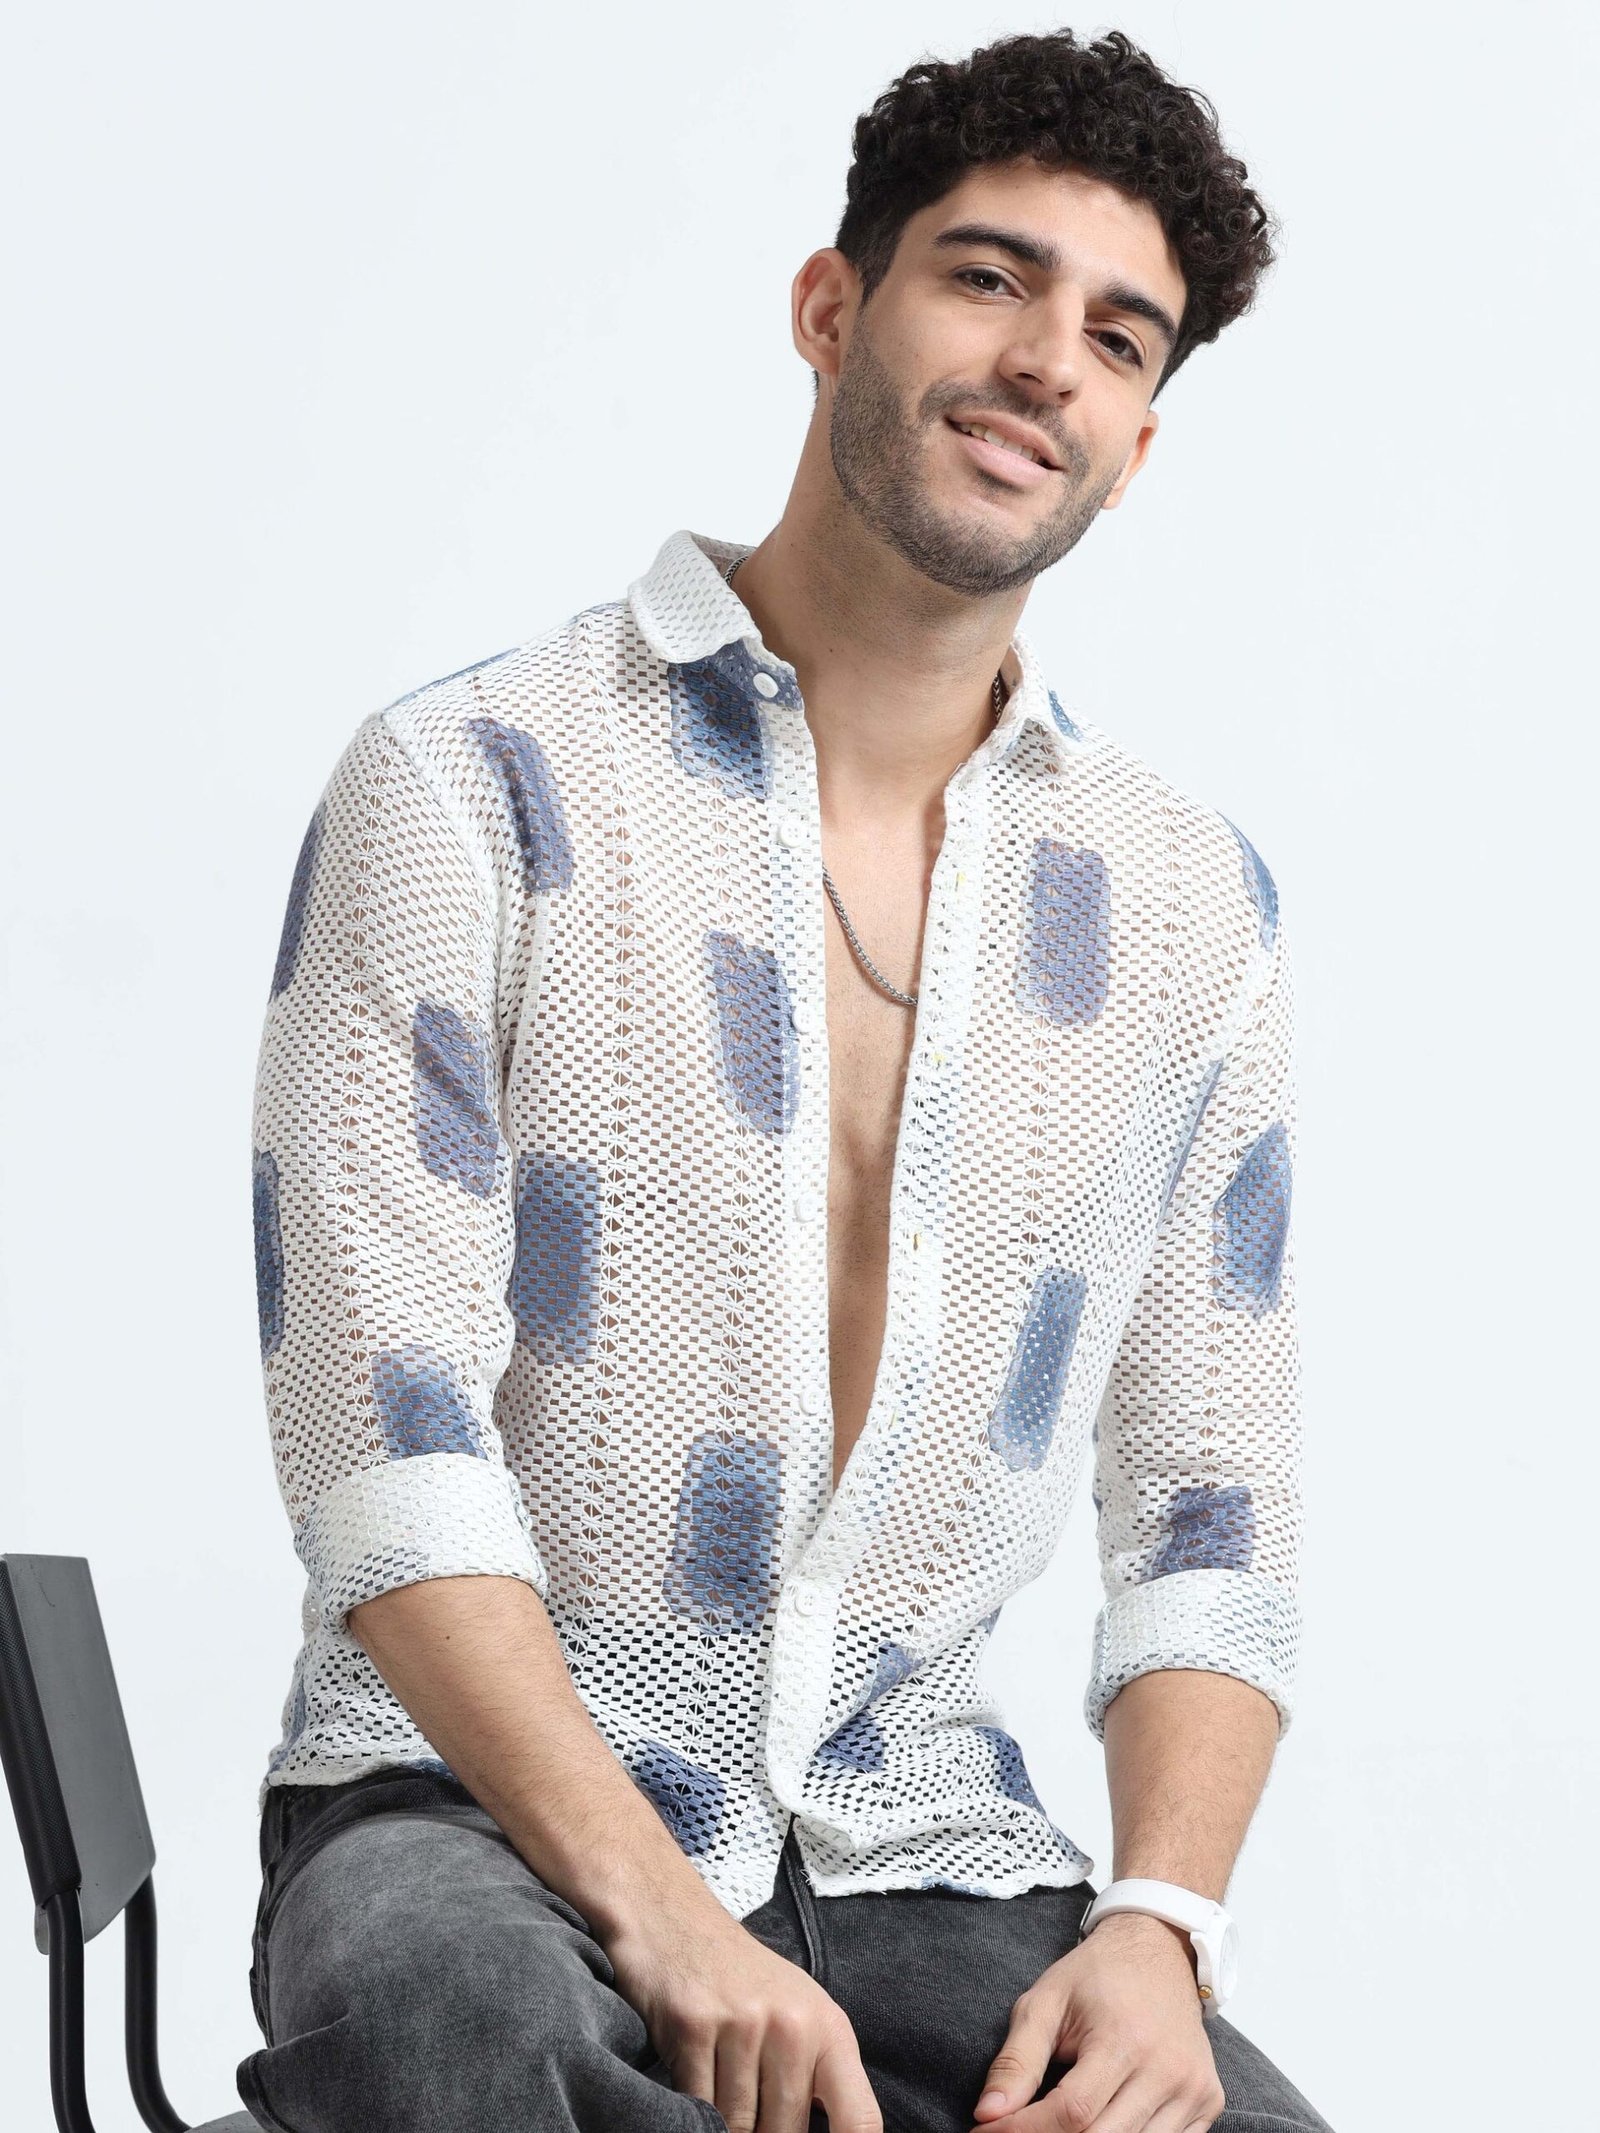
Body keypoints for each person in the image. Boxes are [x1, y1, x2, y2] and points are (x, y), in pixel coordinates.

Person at [239, 26, 1331, 2133]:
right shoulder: (474, 787)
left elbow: (1214, 1503)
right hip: (463, 1807)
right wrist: (662, 1912)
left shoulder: (1191, 909)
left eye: (1117, 338)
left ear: (1135, 442)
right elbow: (383, 1445)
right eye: (988, 277)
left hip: (921, 1838)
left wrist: (1156, 1922)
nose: (1045, 362)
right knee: (459, 2032)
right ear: (831, 306)